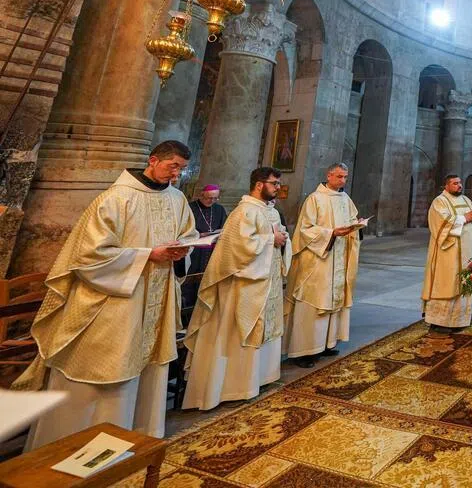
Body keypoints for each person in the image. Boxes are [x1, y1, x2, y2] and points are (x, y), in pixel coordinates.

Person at [15, 140, 196, 448]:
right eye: (172, 166)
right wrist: (147, 255)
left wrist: (182, 249)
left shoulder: (177, 199)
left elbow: (187, 235)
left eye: (181, 168)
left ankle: (135, 438)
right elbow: (89, 256)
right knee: (106, 368)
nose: (176, 174)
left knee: (145, 367)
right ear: (153, 160)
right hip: (115, 301)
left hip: (155, 299)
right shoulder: (116, 199)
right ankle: (73, 445)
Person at [182, 167, 290, 411]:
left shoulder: (269, 212)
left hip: (266, 282)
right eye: (274, 183)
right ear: (259, 184)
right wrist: (272, 240)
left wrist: (282, 240)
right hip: (243, 285)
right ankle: (233, 386)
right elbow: (237, 247)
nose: (277, 188)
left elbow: (277, 239)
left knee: (263, 329)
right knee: (236, 333)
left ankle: (259, 378)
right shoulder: (245, 211)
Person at [284, 162, 360, 368]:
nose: (343, 181)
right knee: (313, 302)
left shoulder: (345, 198)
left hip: (339, 258)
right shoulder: (314, 199)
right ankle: (304, 351)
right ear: (329, 175)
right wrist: (331, 233)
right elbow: (305, 230)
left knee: (333, 301)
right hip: (319, 260)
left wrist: (358, 225)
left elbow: (352, 219)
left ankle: (327, 343)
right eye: (339, 176)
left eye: (345, 177)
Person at [423, 175, 472, 334]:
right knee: (447, 282)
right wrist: (464, 218)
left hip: (467, 252)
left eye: (460, 183)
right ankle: (440, 322)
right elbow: (440, 223)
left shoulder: (466, 200)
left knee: (464, 282)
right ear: (446, 186)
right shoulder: (439, 201)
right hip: (448, 253)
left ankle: (460, 320)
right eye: (455, 183)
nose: (459, 186)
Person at [179, 184, 228, 307]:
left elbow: (225, 227)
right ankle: (186, 310)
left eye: (215, 198)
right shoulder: (190, 208)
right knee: (189, 284)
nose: (211, 201)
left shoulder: (219, 209)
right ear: (201, 195)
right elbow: (183, 230)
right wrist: (199, 235)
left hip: (212, 252)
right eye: (208, 198)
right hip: (194, 252)